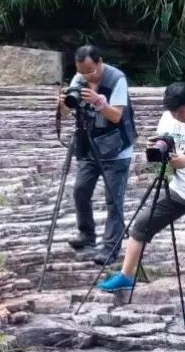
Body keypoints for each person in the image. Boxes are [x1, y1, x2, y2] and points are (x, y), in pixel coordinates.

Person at [97, 83, 185, 327]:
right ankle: (126, 275)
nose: (177, 117)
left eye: (181, 113)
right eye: (173, 113)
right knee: (141, 225)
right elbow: (164, 145)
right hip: (178, 188)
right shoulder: (169, 115)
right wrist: (156, 148)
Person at [58, 44, 137, 266]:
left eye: (90, 70)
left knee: (114, 200)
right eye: (81, 70)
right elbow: (67, 113)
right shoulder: (78, 80)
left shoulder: (117, 79)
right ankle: (87, 236)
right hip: (89, 147)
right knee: (80, 191)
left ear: (100, 62)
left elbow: (116, 116)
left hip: (117, 149)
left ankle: (110, 247)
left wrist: (99, 101)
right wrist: (62, 106)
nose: (85, 75)